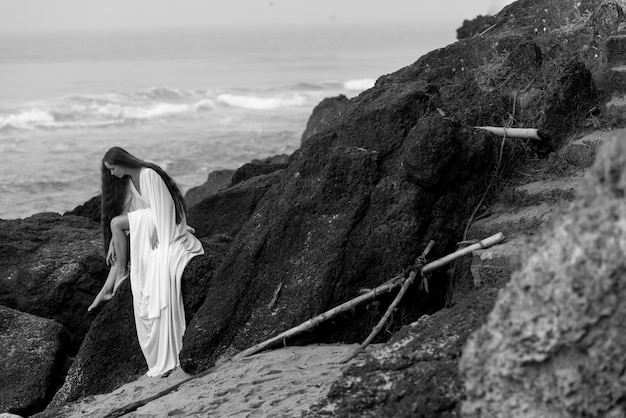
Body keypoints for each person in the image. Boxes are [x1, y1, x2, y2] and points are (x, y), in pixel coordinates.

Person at [88, 146, 204, 377]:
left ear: (122, 163)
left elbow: (166, 207)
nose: (112, 174)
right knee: (116, 229)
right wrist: (113, 242)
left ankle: (117, 278)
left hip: (162, 224)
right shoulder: (131, 182)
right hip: (150, 222)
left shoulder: (149, 174)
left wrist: (158, 234)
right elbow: (129, 216)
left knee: (117, 227)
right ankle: (106, 288)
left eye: (113, 169)